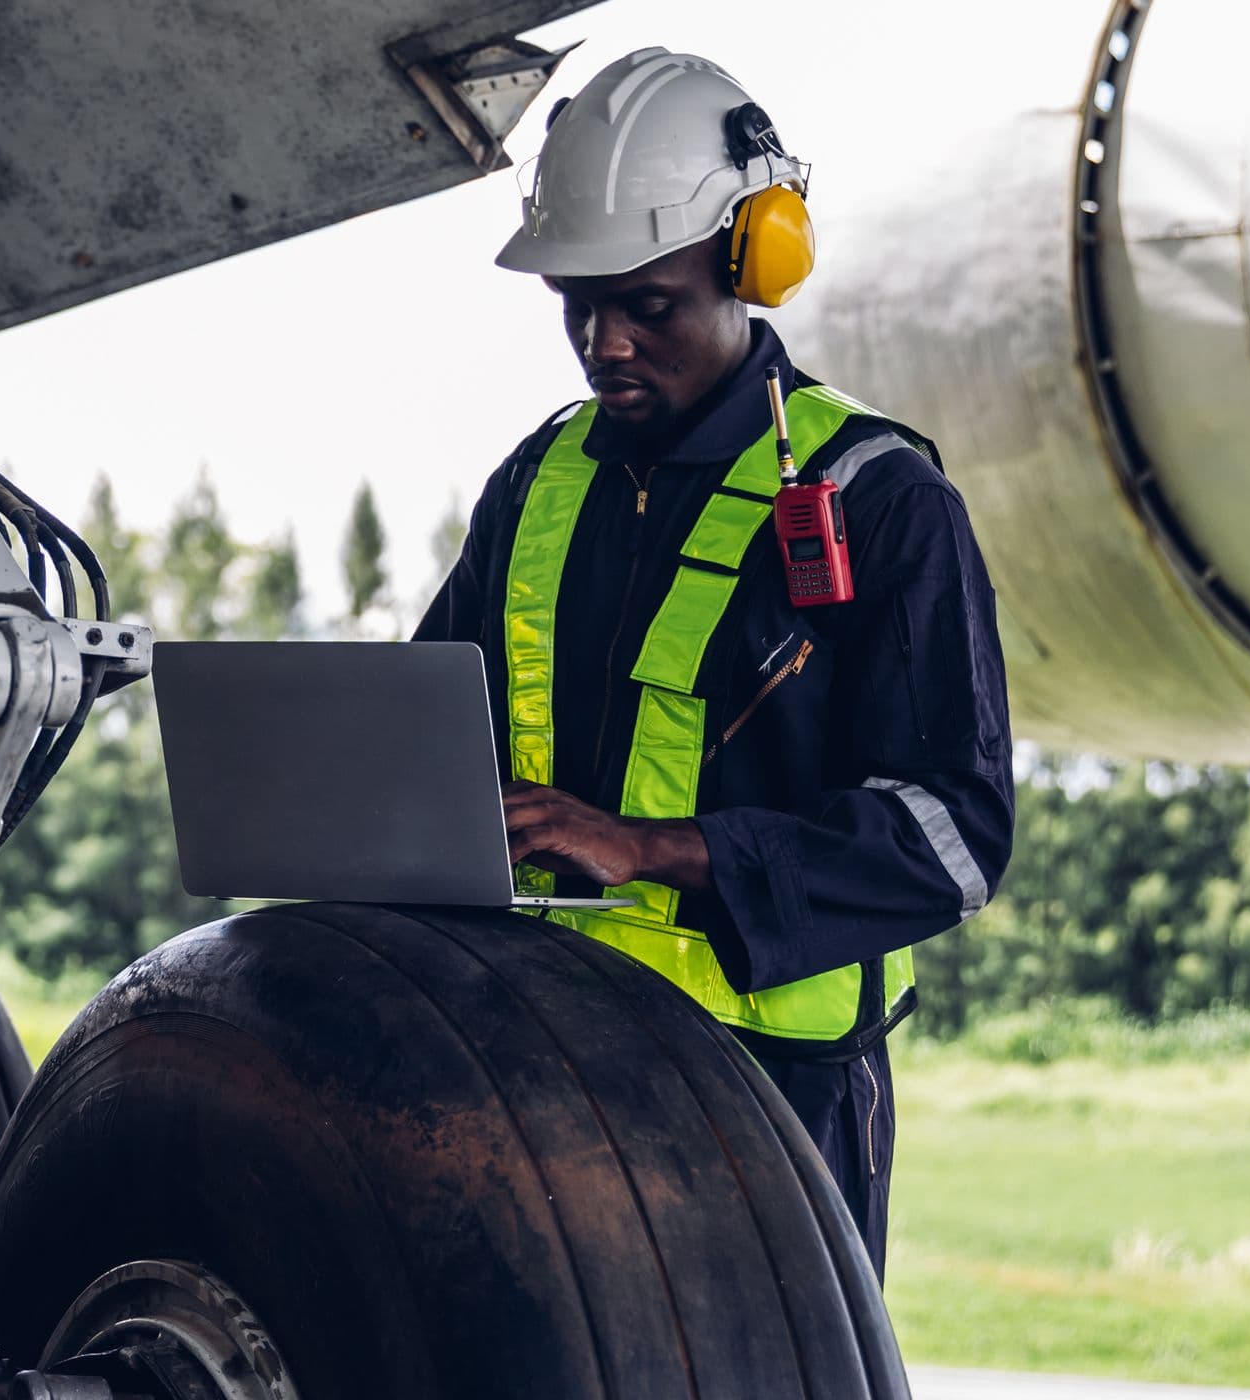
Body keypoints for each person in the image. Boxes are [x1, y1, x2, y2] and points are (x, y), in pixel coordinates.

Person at [415, 48, 1014, 1278]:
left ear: (754, 263)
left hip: (766, 1105)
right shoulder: (538, 482)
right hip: (528, 1069)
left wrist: (650, 845)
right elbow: (421, 743)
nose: (604, 343)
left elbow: (950, 839)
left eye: (649, 305)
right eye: (578, 303)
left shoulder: (880, 498)